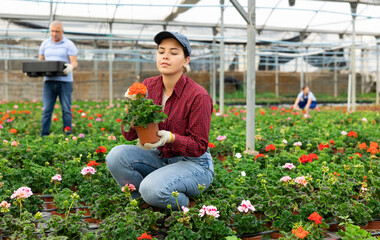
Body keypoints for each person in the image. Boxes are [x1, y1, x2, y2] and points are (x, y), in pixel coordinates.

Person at [106, 31, 214, 210]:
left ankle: (188, 205)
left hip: (194, 164)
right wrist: (133, 106)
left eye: (173, 53)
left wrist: (171, 138)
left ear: (186, 60)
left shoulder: (198, 96)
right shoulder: (148, 86)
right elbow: (128, 135)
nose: (165, 56)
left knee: (151, 188)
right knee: (115, 156)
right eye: (161, 51)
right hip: (161, 157)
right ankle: (145, 204)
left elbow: (199, 146)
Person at [38, 21, 78, 136]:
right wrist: (33, 71)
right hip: (49, 81)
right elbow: (40, 61)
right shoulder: (45, 44)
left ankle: (67, 134)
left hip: (65, 82)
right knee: (46, 110)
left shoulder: (69, 44)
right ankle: (44, 134)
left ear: (62, 32)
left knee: (66, 109)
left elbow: (74, 62)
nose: (54, 34)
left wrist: (71, 66)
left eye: (57, 31)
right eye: (52, 31)